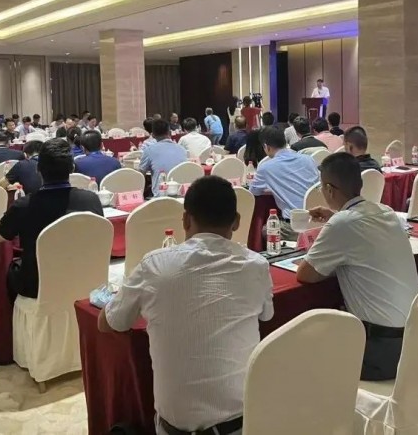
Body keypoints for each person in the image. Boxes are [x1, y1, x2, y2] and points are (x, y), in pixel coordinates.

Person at [100, 176, 272, 435]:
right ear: (236, 221)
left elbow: (109, 323)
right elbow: (267, 315)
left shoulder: (155, 265)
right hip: (245, 423)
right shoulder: (256, 265)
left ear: (185, 220)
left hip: (177, 428)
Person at [297, 153, 418, 380]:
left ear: (329, 190)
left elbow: (306, 274)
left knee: (302, 349)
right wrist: (336, 217)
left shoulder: (342, 223)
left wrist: (336, 220)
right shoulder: (386, 212)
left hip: (380, 351)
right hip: (413, 340)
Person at [0, 138, 103, 300]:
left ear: (38, 169)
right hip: (84, 278)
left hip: (37, 285)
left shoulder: (25, 205)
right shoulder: (91, 199)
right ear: (72, 168)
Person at [249, 126, 319, 240]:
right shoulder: (309, 159)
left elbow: (254, 191)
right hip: (318, 222)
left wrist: (273, 188)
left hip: (294, 226)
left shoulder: (266, 167)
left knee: (267, 229)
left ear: (266, 147)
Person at [139, 119, 188, 196]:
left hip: (161, 197)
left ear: (153, 135)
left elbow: (141, 175)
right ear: (170, 133)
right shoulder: (182, 150)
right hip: (182, 195)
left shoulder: (149, 150)